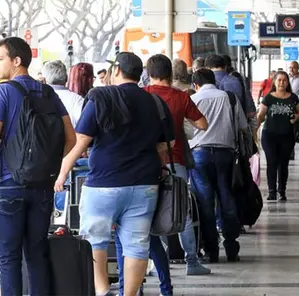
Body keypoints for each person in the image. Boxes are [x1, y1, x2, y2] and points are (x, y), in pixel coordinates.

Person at [54, 52, 174, 296]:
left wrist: (61, 172)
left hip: (103, 184)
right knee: (137, 246)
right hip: (144, 185)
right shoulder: (154, 102)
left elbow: (82, 141)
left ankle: (102, 291)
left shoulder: (100, 97)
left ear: (117, 69)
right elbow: (165, 145)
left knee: (94, 241)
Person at [0, 37, 77, 295]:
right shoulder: (48, 92)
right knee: (36, 254)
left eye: (0, 59)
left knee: (9, 259)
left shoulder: (3, 91)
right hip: (42, 187)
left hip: (8, 186)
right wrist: (47, 165)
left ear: (17, 61)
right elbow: (71, 138)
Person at [143, 54, 210, 277]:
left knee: (151, 214)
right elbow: (202, 123)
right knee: (182, 213)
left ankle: (157, 264)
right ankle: (192, 261)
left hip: (148, 163)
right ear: (170, 74)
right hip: (176, 160)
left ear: (149, 73)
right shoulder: (181, 97)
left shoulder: (143, 95)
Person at [189, 68, 248, 263]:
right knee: (226, 199)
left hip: (199, 155)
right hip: (226, 155)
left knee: (205, 203)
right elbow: (242, 127)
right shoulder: (229, 98)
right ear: (214, 81)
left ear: (196, 84)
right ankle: (231, 248)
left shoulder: (194, 99)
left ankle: (211, 251)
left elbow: (186, 131)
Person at [256, 71, 299, 202]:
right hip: (269, 135)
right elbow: (260, 115)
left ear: (288, 83)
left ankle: (282, 190)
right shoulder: (268, 98)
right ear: (274, 82)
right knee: (271, 162)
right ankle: (272, 191)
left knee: (283, 164)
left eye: (284, 80)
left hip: (287, 135)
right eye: (279, 80)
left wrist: (297, 117)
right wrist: (255, 130)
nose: (282, 82)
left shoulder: (293, 98)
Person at [43, 60, 84, 126]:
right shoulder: (77, 100)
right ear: (67, 78)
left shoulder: (38, 98)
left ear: (44, 80)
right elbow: (84, 126)